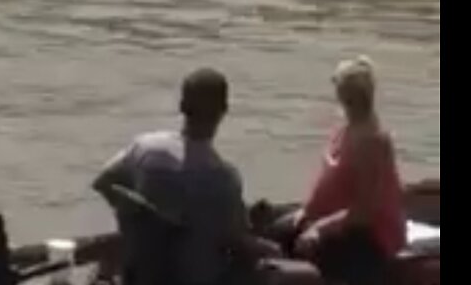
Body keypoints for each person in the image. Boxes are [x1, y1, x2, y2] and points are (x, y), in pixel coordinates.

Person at [93, 68, 277, 285]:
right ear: (224, 110)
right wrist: (271, 246)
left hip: (141, 276)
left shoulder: (144, 148)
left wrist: (135, 213)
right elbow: (237, 241)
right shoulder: (224, 179)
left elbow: (103, 183)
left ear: (181, 106)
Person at [271, 57, 406, 285]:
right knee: (276, 231)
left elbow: (364, 211)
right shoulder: (344, 130)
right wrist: (305, 212)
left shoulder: (374, 142)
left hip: (369, 235)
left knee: (302, 248)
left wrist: (320, 228)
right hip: (330, 219)